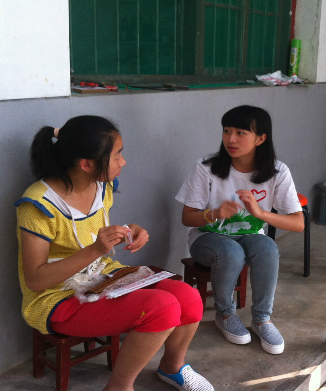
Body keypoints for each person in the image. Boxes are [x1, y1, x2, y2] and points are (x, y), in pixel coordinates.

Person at [15, 115, 214, 391]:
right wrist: (96, 249)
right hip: (57, 297)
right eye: (117, 155)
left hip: (102, 277)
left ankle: (172, 367)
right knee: (162, 308)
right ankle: (119, 387)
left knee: (188, 296)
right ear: (87, 164)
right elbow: (36, 280)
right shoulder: (38, 205)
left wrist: (127, 231)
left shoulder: (101, 186)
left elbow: (91, 235)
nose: (123, 162)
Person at [175, 105, 304, 355]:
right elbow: (187, 218)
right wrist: (215, 214)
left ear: (260, 139)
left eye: (240, 133)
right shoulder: (206, 167)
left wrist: (260, 213)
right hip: (206, 238)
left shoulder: (277, 172)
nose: (231, 139)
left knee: (267, 247)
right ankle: (225, 314)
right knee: (231, 252)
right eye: (227, 131)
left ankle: (262, 319)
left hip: (250, 236)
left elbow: (298, 223)